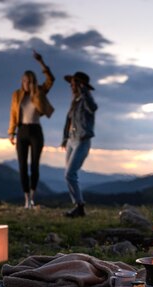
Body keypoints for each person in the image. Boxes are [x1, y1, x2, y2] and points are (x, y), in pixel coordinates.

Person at [8, 50, 55, 209]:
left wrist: (41, 62)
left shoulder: (39, 92)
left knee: (34, 165)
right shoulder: (16, 95)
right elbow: (13, 114)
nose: (25, 84)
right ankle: (26, 199)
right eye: (23, 81)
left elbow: (51, 80)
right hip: (21, 131)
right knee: (22, 166)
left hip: (36, 131)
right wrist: (11, 131)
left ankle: (33, 198)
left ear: (33, 81)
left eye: (28, 81)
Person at [61, 71, 97, 218]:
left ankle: (80, 206)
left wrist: (84, 90)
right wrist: (65, 138)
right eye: (72, 83)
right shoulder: (74, 101)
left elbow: (93, 107)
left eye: (74, 83)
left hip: (83, 140)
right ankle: (78, 206)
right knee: (68, 174)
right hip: (71, 140)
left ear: (81, 85)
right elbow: (68, 120)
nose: (71, 85)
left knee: (70, 174)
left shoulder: (86, 100)